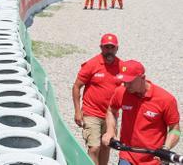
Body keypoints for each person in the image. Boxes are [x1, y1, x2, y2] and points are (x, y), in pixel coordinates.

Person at [102, 60, 180, 165]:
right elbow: (111, 110)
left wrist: (166, 148)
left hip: (154, 160)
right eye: (124, 81)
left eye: (130, 82)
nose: (126, 85)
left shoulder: (165, 99)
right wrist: (110, 131)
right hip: (127, 156)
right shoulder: (121, 92)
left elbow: (175, 129)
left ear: (142, 78)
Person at [72, 34, 122, 165]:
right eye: (106, 47)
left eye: (112, 47)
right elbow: (77, 86)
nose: (109, 50)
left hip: (111, 115)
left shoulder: (122, 66)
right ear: (101, 48)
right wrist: (77, 111)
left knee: (106, 146)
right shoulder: (92, 64)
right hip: (91, 113)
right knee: (94, 148)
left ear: (117, 48)